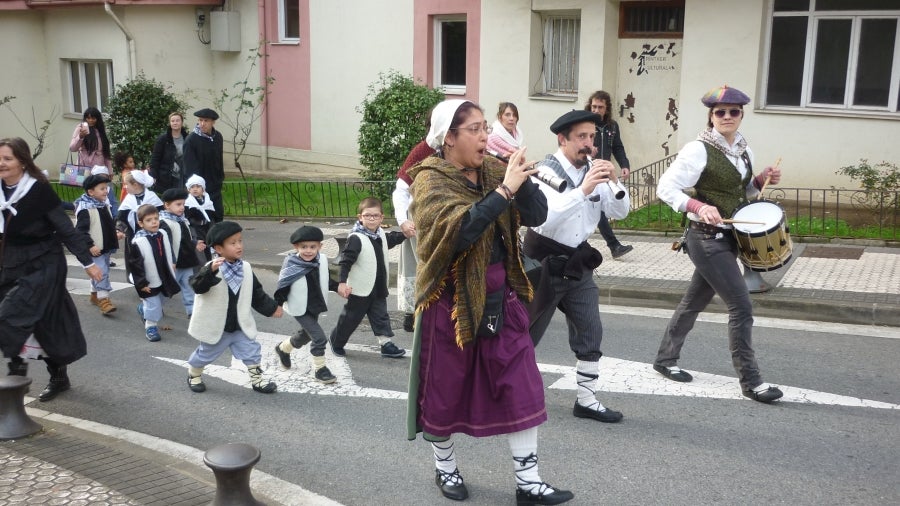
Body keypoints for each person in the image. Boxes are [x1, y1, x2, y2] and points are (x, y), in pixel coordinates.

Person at [406, 99, 573, 505]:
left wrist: (525, 180)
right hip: (451, 302)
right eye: (475, 129)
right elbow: (460, 233)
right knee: (445, 392)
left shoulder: (495, 172)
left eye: (486, 128)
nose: (485, 136)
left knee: (523, 385)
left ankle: (529, 483)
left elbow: (536, 214)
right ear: (448, 138)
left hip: (502, 295)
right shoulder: (429, 181)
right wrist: (504, 190)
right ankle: (445, 468)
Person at [652, 85, 784, 404]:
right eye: (720, 112)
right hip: (705, 239)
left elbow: (741, 194)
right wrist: (697, 207)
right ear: (711, 116)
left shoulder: (743, 150)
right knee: (741, 305)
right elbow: (665, 188)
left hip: (730, 237)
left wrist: (758, 181)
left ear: (741, 115)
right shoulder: (697, 149)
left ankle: (665, 359)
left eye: (733, 111)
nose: (727, 116)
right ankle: (751, 382)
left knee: (693, 301)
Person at [525, 109, 631, 424]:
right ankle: (504, 393)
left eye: (592, 138)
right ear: (563, 139)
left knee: (590, 328)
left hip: (576, 260)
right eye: (582, 137)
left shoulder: (593, 170)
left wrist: (613, 182)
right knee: (524, 335)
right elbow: (546, 215)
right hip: (540, 260)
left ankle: (586, 400)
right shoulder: (545, 172)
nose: (590, 145)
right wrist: (583, 190)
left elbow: (620, 211)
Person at [0, 137, 103, 402]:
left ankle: (28, 376)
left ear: (22, 161)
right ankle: (22, 377)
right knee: (30, 321)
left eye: (7, 158)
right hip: (10, 263)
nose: (1, 164)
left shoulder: (39, 190)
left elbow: (65, 229)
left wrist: (88, 263)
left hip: (43, 263)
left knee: (13, 315)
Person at [186, 221, 283, 394]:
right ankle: (194, 374)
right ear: (219, 248)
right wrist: (210, 272)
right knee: (206, 354)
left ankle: (257, 380)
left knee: (251, 351)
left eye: (240, 241)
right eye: (233, 243)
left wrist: (271, 308)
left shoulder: (244, 267)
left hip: (239, 324)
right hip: (218, 326)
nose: (239, 246)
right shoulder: (211, 268)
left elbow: (256, 292)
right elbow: (197, 286)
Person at [329, 197, 407, 359]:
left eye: (375, 215)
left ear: (381, 218)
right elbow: (346, 262)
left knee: (381, 316)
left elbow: (391, 239)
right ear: (360, 217)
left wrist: (405, 235)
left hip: (378, 287)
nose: (371, 218)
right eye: (367, 215)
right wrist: (342, 283)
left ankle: (386, 344)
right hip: (360, 288)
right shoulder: (356, 238)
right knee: (351, 318)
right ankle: (336, 341)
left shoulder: (380, 235)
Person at [273, 225, 339, 384]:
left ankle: (283, 348)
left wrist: (338, 288)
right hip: (299, 307)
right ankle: (320, 369)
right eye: (304, 247)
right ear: (296, 247)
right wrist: (277, 305)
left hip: (315, 304)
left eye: (312, 247)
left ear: (320, 247)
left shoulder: (321, 260)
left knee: (306, 334)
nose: (308, 250)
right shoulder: (292, 263)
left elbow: (326, 280)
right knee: (319, 338)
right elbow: (283, 286)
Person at [392, 138, 436, 333]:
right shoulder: (424, 150)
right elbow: (401, 187)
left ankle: (433, 314)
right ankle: (412, 313)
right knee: (415, 264)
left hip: (442, 216)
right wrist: (402, 220)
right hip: (418, 216)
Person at [586, 91, 633, 259]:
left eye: (600, 107)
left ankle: (610, 245)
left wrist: (624, 165)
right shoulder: (583, 124)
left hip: (604, 171)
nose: (596, 110)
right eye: (594, 106)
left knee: (598, 208)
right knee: (596, 207)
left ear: (607, 109)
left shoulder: (612, 126)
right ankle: (614, 246)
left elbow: (618, 147)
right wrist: (587, 150)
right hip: (586, 171)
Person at [127, 204, 180, 342]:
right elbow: (135, 265)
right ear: (141, 223)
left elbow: (169, 249)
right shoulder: (138, 241)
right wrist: (141, 283)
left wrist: (172, 262)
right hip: (147, 279)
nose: (154, 222)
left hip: (164, 274)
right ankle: (150, 327)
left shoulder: (162, 233)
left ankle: (144, 309)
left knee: (163, 297)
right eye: (149, 220)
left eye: (156, 218)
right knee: (154, 304)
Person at [74, 174, 119, 315]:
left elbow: (106, 225)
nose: (106, 191)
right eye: (102, 189)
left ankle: (94, 294)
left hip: (105, 246)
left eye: (106, 188)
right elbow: (80, 231)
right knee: (102, 272)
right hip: (94, 248)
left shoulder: (103, 205)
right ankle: (104, 300)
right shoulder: (85, 209)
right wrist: (90, 245)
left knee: (102, 271)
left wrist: (116, 233)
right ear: (91, 192)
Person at [159, 188, 200, 317]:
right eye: (178, 204)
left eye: (183, 204)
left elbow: (185, 239)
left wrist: (195, 243)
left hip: (187, 261)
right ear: (166, 205)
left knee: (188, 287)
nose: (182, 207)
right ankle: (151, 307)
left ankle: (192, 311)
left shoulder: (182, 220)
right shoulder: (164, 222)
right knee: (169, 289)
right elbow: (168, 244)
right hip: (174, 264)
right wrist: (171, 261)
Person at [116, 169, 163, 282]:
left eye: (127, 185)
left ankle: (155, 279)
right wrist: (119, 229)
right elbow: (121, 218)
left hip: (152, 234)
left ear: (135, 185)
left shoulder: (152, 197)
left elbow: (161, 215)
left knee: (151, 257)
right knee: (136, 258)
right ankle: (138, 280)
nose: (125, 187)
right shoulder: (128, 199)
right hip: (133, 235)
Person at [183, 108, 225, 222]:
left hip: (215, 184)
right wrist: (196, 186)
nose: (202, 124)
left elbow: (219, 159)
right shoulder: (191, 140)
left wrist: (220, 177)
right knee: (204, 218)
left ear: (213, 122)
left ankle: (219, 238)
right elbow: (189, 166)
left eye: (206, 121)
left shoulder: (218, 137)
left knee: (218, 214)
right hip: (200, 186)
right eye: (200, 120)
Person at [150, 112, 189, 194]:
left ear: (182, 122)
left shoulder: (187, 139)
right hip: (166, 177)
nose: (175, 123)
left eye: (177, 120)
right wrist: (153, 175)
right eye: (172, 121)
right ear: (170, 123)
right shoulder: (162, 139)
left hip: (182, 177)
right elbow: (155, 158)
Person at [69, 106, 112, 171]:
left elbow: (106, 152)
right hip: (83, 166)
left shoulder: (101, 130)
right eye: (88, 118)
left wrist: (110, 169)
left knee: (100, 181)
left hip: (99, 167)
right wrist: (80, 137)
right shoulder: (80, 128)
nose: (90, 120)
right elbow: (72, 148)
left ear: (98, 119)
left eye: (93, 118)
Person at [184, 174, 215, 262]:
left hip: (207, 228)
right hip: (196, 229)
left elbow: (211, 216)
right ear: (189, 189)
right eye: (192, 187)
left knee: (209, 248)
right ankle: (202, 267)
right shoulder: (188, 203)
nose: (195, 189)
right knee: (200, 251)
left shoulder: (208, 201)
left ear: (203, 188)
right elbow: (187, 219)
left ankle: (210, 265)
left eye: (198, 186)